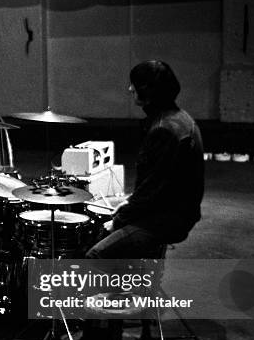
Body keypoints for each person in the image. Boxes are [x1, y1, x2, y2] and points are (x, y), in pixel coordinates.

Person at [86, 60, 204, 259]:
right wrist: (129, 202)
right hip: (177, 211)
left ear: (148, 91)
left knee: (95, 254)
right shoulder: (181, 118)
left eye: (135, 84)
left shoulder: (163, 130)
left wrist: (119, 221)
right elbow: (161, 183)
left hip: (166, 219)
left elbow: (153, 189)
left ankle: (121, 288)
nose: (130, 88)